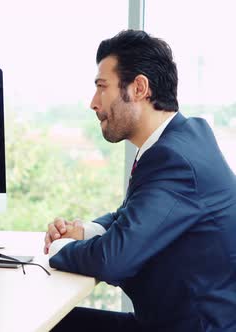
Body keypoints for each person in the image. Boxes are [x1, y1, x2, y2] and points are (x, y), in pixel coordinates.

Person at [45, 30, 236, 331]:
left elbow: (113, 259)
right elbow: (133, 213)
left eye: (102, 88)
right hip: (171, 322)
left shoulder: (174, 160)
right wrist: (85, 231)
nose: (94, 103)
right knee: (53, 323)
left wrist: (58, 251)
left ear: (139, 88)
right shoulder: (185, 137)